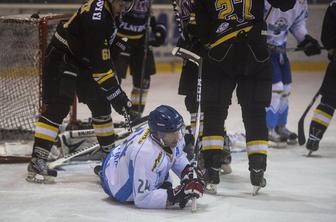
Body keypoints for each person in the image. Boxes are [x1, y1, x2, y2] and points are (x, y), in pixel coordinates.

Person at [26, 0, 135, 184]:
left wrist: (117, 43)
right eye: (122, 3)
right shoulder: (98, 19)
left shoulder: (108, 11)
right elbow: (102, 71)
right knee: (57, 108)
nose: (124, 8)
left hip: (83, 61)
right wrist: (119, 98)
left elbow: (99, 49)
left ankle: (109, 161)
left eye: (128, 3)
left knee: (101, 105)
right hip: (63, 57)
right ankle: (38, 161)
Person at [193, 0, 296, 194]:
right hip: (255, 53)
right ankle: (258, 169)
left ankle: (212, 170)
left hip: (219, 53)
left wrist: (206, 40)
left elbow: (203, 30)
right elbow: (286, 4)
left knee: (214, 112)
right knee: (255, 113)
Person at [98, 105, 205, 209]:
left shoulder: (168, 135)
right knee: (159, 175)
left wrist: (187, 171)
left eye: (178, 131)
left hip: (119, 157)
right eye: (171, 134)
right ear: (158, 134)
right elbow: (142, 199)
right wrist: (175, 196)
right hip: (115, 183)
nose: (177, 138)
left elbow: (176, 154)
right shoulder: (145, 154)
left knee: (162, 174)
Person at [175, 0, 232, 175]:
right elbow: (185, 23)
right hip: (198, 51)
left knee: (213, 104)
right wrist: (186, 38)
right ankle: (205, 149)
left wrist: (196, 34)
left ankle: (217, 150)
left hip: (214, 51)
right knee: (194, 101)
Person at [265, 0, 321, 147]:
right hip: (263, 50)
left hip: (280, 49)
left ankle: (280, 126)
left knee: (286, 87)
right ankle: (267, 129)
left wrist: (305, 40)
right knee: (275, 88)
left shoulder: (301, 2)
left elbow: (297, 24)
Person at [113, 0, 167, 120]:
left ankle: (136, 115)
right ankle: (104, 115)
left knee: (143, 82)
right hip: (120, 39)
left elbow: (147, 9)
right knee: (113, 80)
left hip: (141, 40)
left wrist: (155, 26)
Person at [305, 1, 336, 154]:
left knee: (328, 101)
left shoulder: (334, 5)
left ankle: (314, 137)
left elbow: (327, 37)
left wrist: (331, 48)